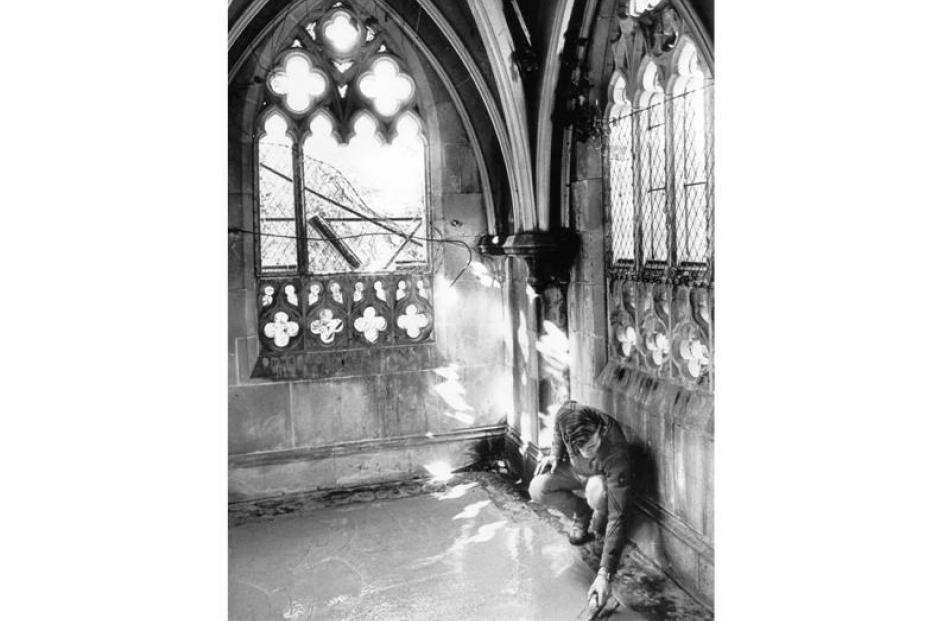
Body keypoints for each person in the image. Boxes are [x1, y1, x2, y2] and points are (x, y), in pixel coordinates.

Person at [529, 401, 634, 608]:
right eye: (581, 447)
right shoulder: (567, 413)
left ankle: (597, 520)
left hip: (599, 481)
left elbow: (618, 515)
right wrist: (555, 453)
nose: (588, 452)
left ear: (601, 431)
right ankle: (581, 513)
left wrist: (605, 573)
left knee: (597, 493)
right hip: (574, 472)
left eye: (593, 445)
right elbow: (559, 426)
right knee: (537, 487)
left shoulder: (616, 451)